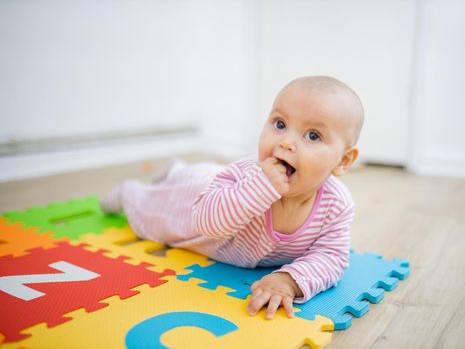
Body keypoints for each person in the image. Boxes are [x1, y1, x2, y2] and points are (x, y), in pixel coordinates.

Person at [100, 76, 364, 319]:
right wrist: (259, 187)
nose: (286, 142)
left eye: (313, 135)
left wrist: (290, 280)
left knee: (196, 172)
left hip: (214, 180)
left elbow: (332, 256)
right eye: (280, 124)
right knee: (154, 209)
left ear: (343, 160)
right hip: (191, 202)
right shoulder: (248, 173)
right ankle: (131, 191)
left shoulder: (336, 204)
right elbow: (207, 222)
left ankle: (176, 170)